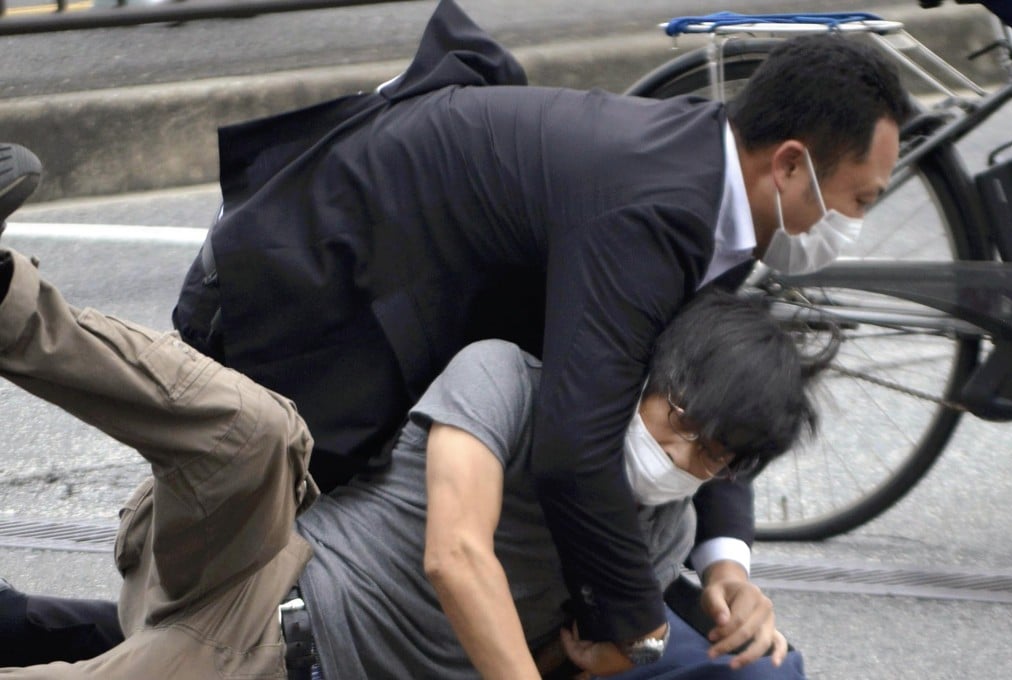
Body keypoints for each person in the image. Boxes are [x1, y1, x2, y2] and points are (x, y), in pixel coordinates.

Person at [171, 0, 910, 660]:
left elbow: (705, 376)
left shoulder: (711, 188)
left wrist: (724, 563)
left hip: (371, 298)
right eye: (858, 199)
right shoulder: (657, 213)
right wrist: (639, 633)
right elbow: (573, 451)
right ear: (789, 165)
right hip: (283, 295)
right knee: (236, 606)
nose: (852, 225)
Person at [0, 228, 813, 677]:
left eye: (711, 457)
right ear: (649, 374)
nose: (678, 454)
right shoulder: (507, 382)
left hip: (263, 666)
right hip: (259, 580)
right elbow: (454, 554)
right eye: (679, 419)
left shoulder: (663, 536)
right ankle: (7, 296)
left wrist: (603, 654)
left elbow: (584, 657)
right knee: (259, 432)